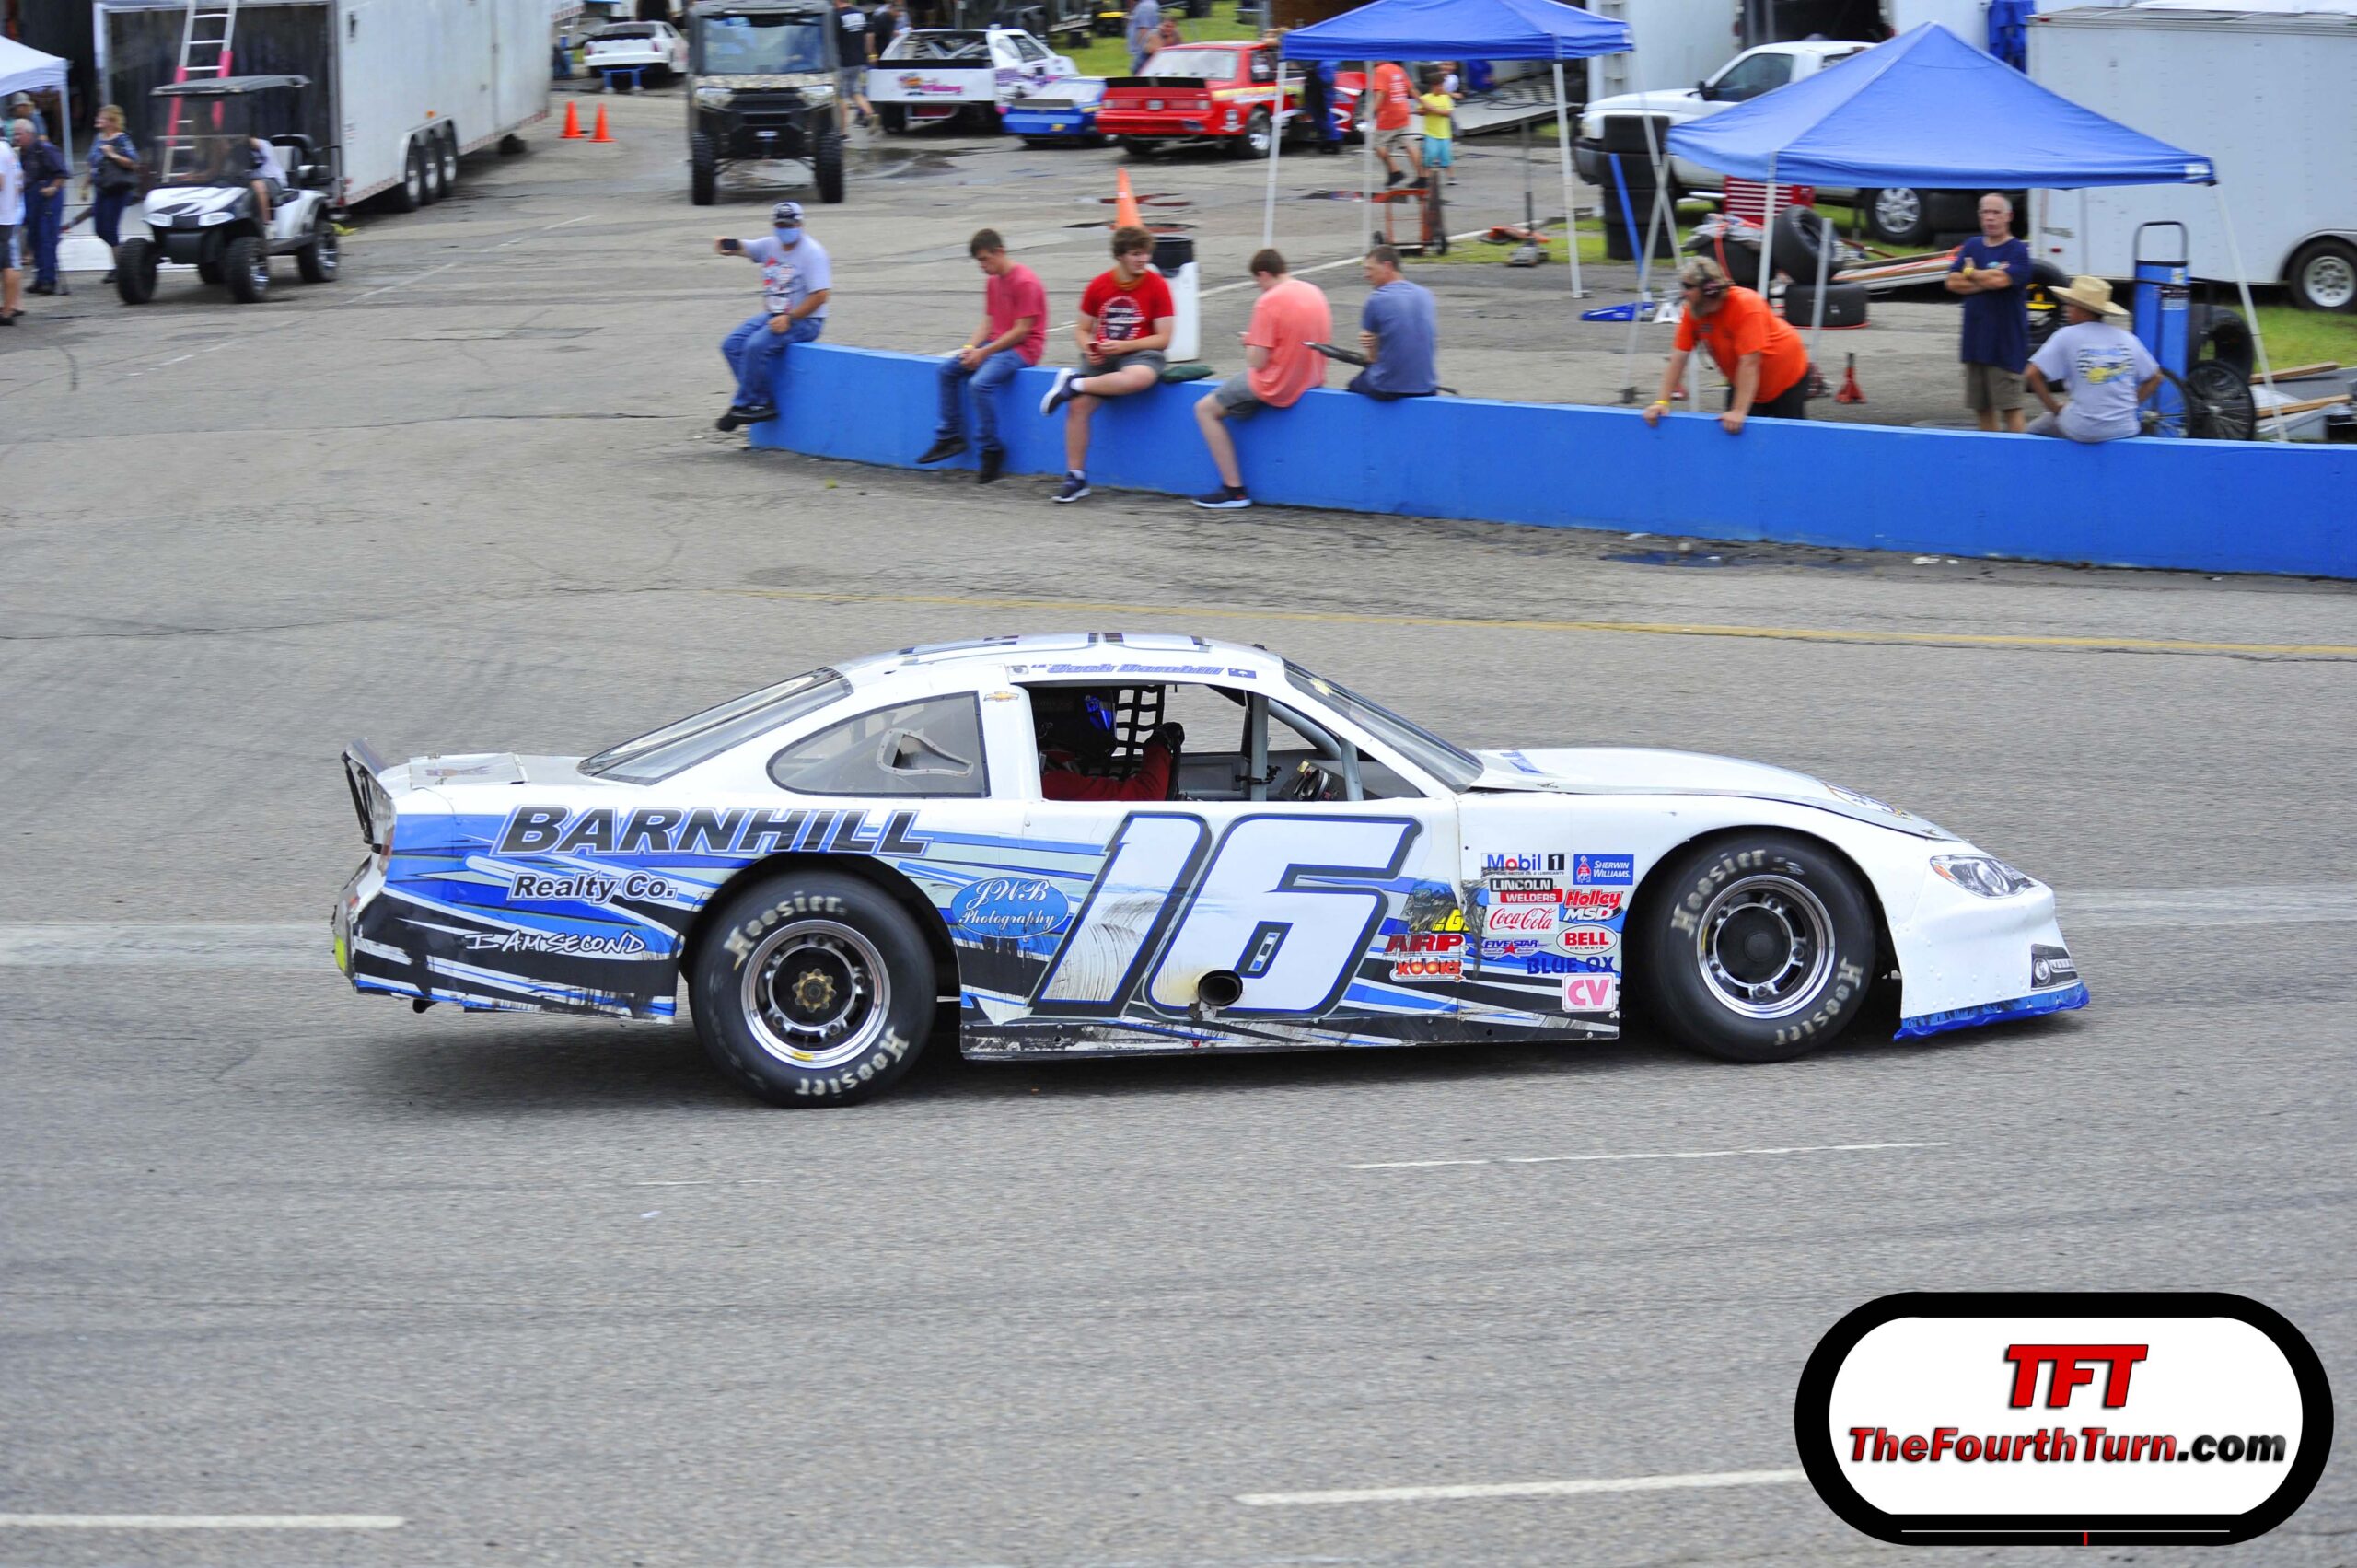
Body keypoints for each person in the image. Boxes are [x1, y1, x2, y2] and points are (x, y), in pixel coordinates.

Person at [1038, 225, 1175, 504]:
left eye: (1146, 254)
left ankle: (1072, 384)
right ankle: (1075, 477)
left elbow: (1164, 339)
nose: (1143, 260)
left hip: (1140, 352)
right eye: (1136, 254)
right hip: (1103, 357)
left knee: (1140, 378)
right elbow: (1082, 329)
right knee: (1078, 407)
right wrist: (1088, 347)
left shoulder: (1157, 285)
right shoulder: (1099, 285)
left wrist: (1125, 346)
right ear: (1120, 256)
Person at [1190, 249, 1330, 510]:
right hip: (1312, 377)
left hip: (1277, 383)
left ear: (1263, 274)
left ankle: (1234, 489)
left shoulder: (1268, 301)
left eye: (1258, 283)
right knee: (1237, 403)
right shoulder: (1314, 291)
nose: (1259, 288)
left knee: (1204, 409)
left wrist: (1250, 342)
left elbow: (1257, 362)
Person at [919, 228, 1046, 484]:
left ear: (1000, 252)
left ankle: (991, 449)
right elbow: (988, 322)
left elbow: (1022, 331)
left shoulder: (1026, 282)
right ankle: (949, 436)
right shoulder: (992, 282)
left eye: (985, 259)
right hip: (996, 344)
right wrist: (969, 348)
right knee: (946, 371)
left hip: (1023, 349)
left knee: (980, 384)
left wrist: (984, 352)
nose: (982, 266)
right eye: (979, 261)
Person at [1643, 257, 1810, 434]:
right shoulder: (1692, 311)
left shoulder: (1746, 305)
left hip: (1786, 376)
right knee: (1732, 433)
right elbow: (1678, 357)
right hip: (1744, 377)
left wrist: (1739, 411)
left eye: (1688, 287)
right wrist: (1661, 402)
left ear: (1708, 291)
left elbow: (1750, 362)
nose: (1683, 293)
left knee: (1790, 439)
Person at [713, 200, 832, 431]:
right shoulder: (771, 245)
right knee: (732, 345)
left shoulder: (812, 253)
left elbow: (821, 296)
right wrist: (727, 244)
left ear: (801, 224)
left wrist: (790, 318)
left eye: (790, 224)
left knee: (755, 346)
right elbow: (746, 247)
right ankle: (759, 400)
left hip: (805, 321)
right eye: (780, 224)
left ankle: (744, 403)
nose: (785, 229)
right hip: (774, 315)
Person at [2025, 275, 2161, 443]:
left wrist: (2055, 409)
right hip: (2124, 427)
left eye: (2070, 305)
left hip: (2082, 428)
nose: (2067, 309)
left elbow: (2032, 374)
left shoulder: (2066, 336)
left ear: (2081, 309)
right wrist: (2131, 405)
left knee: (2032, 431)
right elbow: (2155, 377)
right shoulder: (2127, 338)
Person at [1945, 193, 2032, 434]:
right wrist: (1986, 278)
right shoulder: (1972, 245)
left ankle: (2018, 458)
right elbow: (1952, 283)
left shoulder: (2018, 251)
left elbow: (2001, 281)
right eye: (1985, 212)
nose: (1990, 218)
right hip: (1975, 344)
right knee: (1981, 408)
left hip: (2004, 345)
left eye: (1996, 212)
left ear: (2009, 217)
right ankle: (1992, 454)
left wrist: (1971, 272)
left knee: (2010, 407)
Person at [1034, 690, 1185, 801]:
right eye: (1097, 710)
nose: (1105, 719)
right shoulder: (1054, 782)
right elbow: (1147, 797)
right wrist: (1160, 745)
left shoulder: (1043, 771)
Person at [1349, 245, 1436, 400]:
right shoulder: (1425, 295)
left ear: (1387, 267)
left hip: (1388, 386)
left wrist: (1369, 344)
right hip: (1426, 385)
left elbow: (1372, 358)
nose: (1366, 275)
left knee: (1353, 386)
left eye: (1370, 269)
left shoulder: (1376, 299)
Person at [85, 106, 141, 276]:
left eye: (101, 117)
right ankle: (123, 256)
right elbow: (92, 163)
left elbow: (133, 162)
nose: (97, 119)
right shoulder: (98, 138)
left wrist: (112, 154)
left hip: (117, 190)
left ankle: (119, 267)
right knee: (100, 229)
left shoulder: (121, 139)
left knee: (110, 228)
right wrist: (85, 185)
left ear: (111, 121)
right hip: (101, 188)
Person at [16, 119, 65, 296]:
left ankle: (48, 280)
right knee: (34, 237)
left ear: (29, 134)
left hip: (48, 196)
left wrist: (53, 187)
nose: (16, 138)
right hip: (32, 196)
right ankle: (40, 278)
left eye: (19, 134)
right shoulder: (23, 152)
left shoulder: (44, 148)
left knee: (46, 238)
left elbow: (61, 171)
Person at [1367, 59, 1419, 188]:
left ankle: (1395, 171)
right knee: (1408, 144)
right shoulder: (1398, 69)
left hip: (1388, 114)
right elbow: (1411, 89)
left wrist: (1371, 112)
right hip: (1402, 110)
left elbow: (1381, 93)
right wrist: (1425, 103)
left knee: (1377, 144)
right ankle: (1422, 176)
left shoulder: (1380, 70)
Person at [832, 0, 875, 131]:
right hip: (859, 61)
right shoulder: (860, 14)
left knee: (841, 97)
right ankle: (871, 115)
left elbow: (831, 39)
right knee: (856, 91)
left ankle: (843, 133)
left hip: (843, 62)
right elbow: (869, 34)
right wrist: (868, 52)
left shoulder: (836, 16)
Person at [1416, 68, 1455, 190]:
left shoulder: (1446, 98)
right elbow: (1420, 111)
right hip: (1431, 133)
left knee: (1446, 156)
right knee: (1430, 155)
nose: (1441, 88)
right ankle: (1426, 176)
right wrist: (1427, 110)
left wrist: (1435, 110)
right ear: (1433, 86)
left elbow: (1448, 112)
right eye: (1439, 85)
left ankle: (1451, 176)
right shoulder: (1426, 98)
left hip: (1445, 134)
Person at [0, 124, 22, 326]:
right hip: (7, 215)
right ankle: (10, 306)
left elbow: (0, 182)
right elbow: (17, 185)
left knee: (6, 264)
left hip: (1, 217)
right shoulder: (8, 151)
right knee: (7, 262)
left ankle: (7, 310)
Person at [1300, 57, 1339, 154]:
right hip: (1320, 88)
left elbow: (1328, 80)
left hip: (1321, 89)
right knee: (1322, 114)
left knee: (1323, 114)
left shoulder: (1322, 63)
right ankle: (1329, 139)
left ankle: (1331, 140)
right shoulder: (1325, 61)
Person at [1127, 0, 1162, 75]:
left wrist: (1140, 54)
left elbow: (1144, 31)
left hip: (1143, 54)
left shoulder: (1145, 7)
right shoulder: (1148, 4)